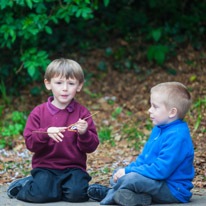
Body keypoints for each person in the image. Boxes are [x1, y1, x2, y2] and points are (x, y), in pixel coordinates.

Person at [7, 58, 99, 203]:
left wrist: (84, 133)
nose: (65, 88)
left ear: (79, 86)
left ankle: (57, 187)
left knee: (77, 195)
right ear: (48, 84)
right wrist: (46, 133)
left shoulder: (82, 113)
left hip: (73, 167)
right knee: (42, 194)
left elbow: (91, 147)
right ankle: (25, 185)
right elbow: (30, 143)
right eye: (59, 83)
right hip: (45, 167)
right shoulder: (39, 112)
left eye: (71, 83)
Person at [88, 82, 195, 206]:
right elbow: (145, 159)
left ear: (172, 112)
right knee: (118, 173)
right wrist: (125, 171)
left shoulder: (178, 136)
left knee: (131, 179)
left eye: (155, 107)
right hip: (155, 180)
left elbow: (161, 170)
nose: (150, 110)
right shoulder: (159, 129)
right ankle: (137, 198)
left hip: (172, 189)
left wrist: (129, 172)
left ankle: (110, 194)